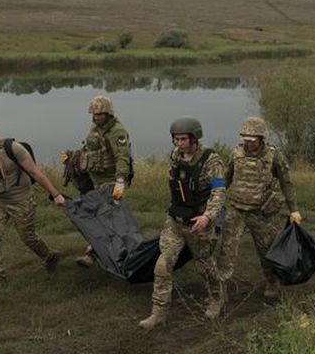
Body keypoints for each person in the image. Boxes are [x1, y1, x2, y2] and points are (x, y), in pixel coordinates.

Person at [138, 117, 226, 329]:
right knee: (162, 266)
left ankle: (217, 299)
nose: (179, 143)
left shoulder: (212, 162)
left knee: (206, 266)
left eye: (183, 139)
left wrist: (208, 216)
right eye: (176, 139)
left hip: (199, 223)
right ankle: (158, 313)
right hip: (175, 221)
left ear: (195, 138)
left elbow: (219, 191)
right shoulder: (175, 156)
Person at [0, 119, 65, 281]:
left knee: (28, 238)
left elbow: (35, 173)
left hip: (21, 201)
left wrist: (56, 195)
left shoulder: (13, 149)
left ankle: (49, 256)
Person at [217, 116, 302, 300]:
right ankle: (220, 289)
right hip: (236, 210)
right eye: (245, 140)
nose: (248, 144)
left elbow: (286, 182)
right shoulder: (236, 153)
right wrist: (212, 194)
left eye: (252, 140)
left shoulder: (273, 155)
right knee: (227, 251)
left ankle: (272, 283)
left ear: (261, 138)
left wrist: (293, 209)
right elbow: (224, 177)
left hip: (262, 214)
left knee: (267, 251)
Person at [62, 96, 132, 267]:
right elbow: (89, 149)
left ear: (108, 113)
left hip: (109, 181)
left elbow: (122, 157)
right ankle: (118, 249)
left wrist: (120, 180)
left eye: (100, 113)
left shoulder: (117, 131)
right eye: (93, 114)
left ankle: (94, 254)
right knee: (104, 216)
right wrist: (74, 158)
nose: (96, 117)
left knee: (104, 216)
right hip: (93, 180)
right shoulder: (95, 128)